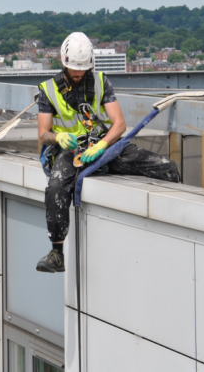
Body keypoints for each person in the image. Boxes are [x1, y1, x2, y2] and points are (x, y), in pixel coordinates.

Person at [35, 32, 181, 273]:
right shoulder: (48, 90)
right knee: (56, 186)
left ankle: (177, 224)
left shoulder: (101, 82)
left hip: (102, 146)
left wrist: (102, 146)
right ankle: (56, 252)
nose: (79, 74)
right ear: (63, 62)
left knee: (165, 166)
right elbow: (42, 133)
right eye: (74, 70)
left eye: (82, 70)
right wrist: (58, 137)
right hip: (70, 152)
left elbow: (119, 124)